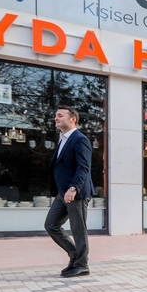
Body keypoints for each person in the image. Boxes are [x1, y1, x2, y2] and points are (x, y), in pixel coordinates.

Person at [45, 106, 95, 278]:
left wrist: (73, 188)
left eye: (60, 115)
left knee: (78, 229)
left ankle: (82, 265)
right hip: (62, 192)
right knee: (51, 225)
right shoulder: (63, 140)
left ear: (73, 119)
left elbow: (83, 167)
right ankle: (75, 255)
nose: (56, 118)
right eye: (55, 115)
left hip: (76, 193)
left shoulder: (80, 139)